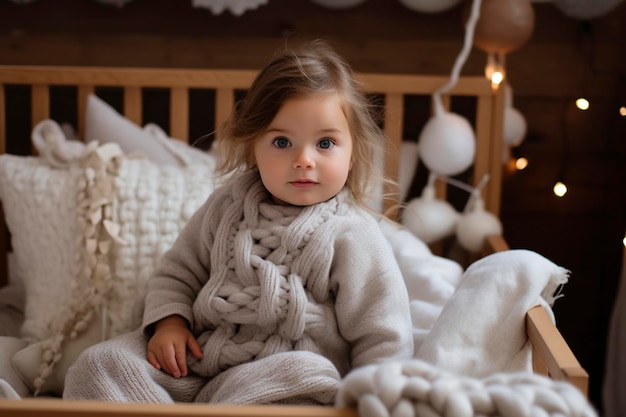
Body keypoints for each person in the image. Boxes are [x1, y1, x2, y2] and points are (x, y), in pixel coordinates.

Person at [63, 39, 414, 405]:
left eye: (325, 144)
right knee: (99, 365)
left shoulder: (353, 235)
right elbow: (178, 273)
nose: (304, 160)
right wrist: (170, 324)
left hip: (285, 379)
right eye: (282, 142)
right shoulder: (225, 207)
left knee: (302, 377)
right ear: (252, 146)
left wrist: (378, 398)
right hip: (197, 364)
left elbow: (384, 333)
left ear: (354, 151)